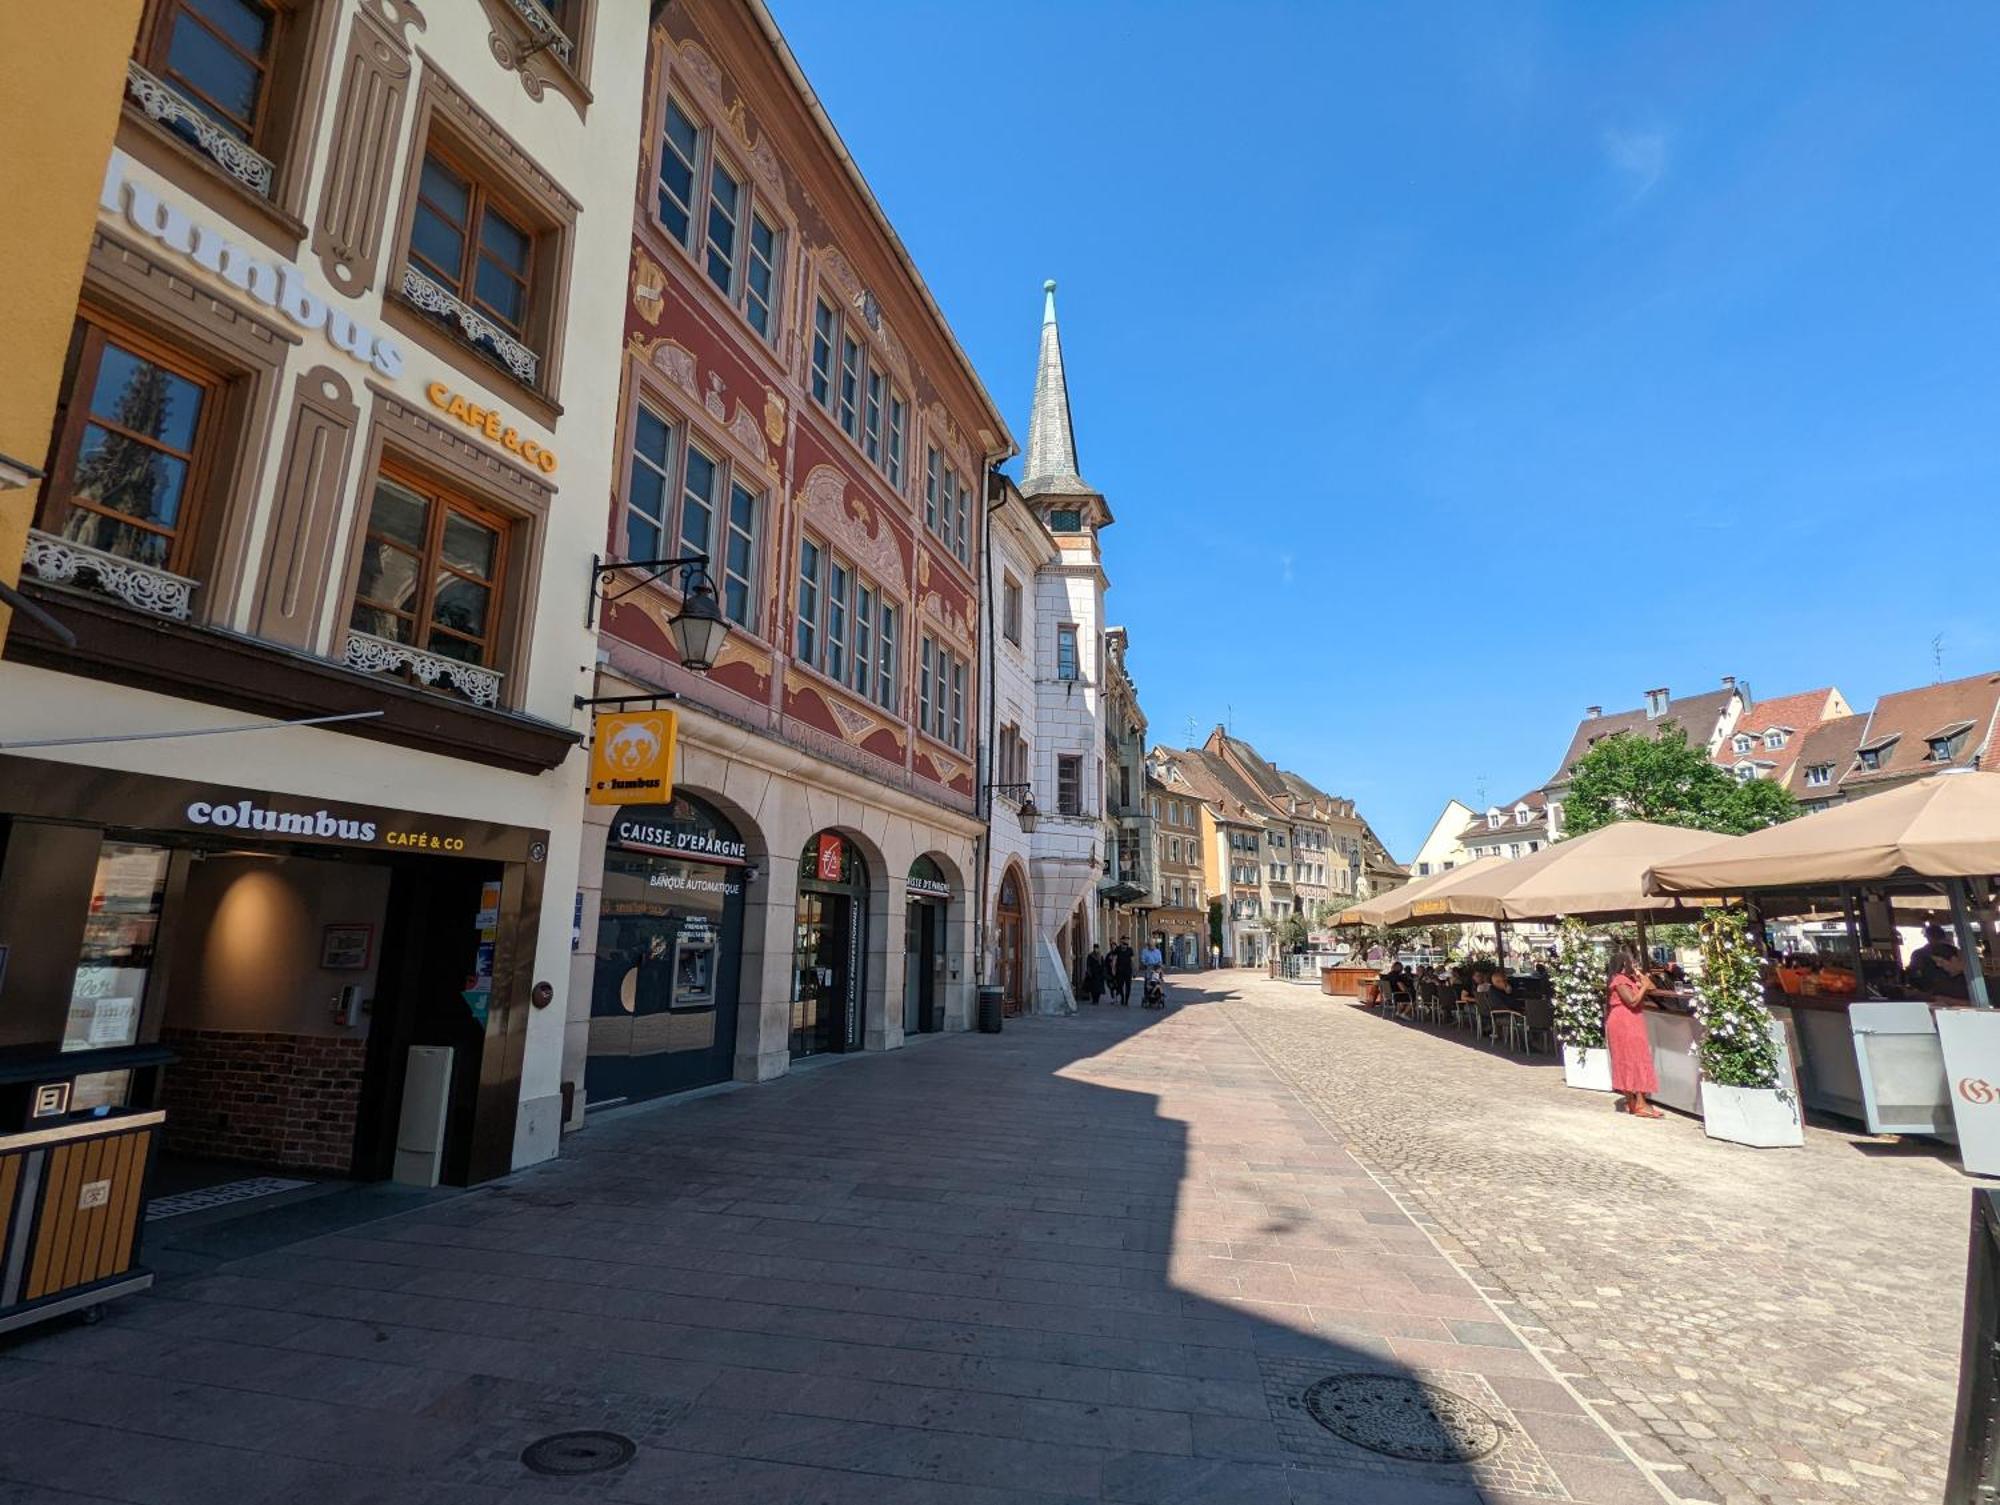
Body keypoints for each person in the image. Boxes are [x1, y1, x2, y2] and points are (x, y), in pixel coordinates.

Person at [1605, 947, 1662, 1118]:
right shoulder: (1619, 980)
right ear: (1624, 964)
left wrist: (1641, 978)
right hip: (1625, 1022)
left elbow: (1651, 987)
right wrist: (1642, 987)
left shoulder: (1628, 979)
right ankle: (1639, 1103)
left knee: (1631, 1058)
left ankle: (1634, 1103)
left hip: (1630, 1021)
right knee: (1633, 1058)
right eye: (1631, 962)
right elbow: (1631, 1001)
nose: (1633, 964)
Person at [1907, 923, 1953, 992]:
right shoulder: (1954, 952)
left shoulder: (1919, 954)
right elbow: (1914, 974)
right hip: (1955, 991)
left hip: (1930, 992)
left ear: (1927, 937)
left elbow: (1914, 975)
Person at [1112, 940, 1135, 1006]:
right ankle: (1122, 997)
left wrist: (1134, 971)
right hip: (1119, 971)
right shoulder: (1117, 949)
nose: (1124, 945)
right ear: (1121, 943)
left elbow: (1132, 960)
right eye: (1123, 944)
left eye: (1126, 944)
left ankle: (1126, 1000)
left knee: (1128, 986)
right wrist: (1113, 969)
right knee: (1120, 985)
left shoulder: (1130, 950)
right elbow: (1114, 959)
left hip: (1128, 970)